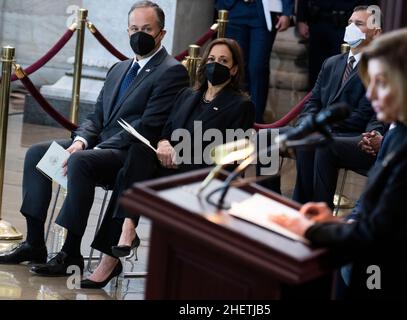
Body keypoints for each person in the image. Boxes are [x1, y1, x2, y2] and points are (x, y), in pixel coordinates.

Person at [0, 1, 189, 276]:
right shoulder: (119, 69)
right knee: (37, 154)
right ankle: (34, 243)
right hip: (97, 146)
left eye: (147, 29)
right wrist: (81, 142)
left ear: (161, 33)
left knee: (80, 163)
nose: (140, 34)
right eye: (134, 28)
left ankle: (70, 253)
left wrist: (93, 148)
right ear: (127, 30)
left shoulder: (171, 71)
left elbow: (148, 126)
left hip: (129, 153)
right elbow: (95, 117)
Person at [272, 28, 407, 299]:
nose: (372, 94)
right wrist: (334, 223)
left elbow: (382, 233)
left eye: (382, 83)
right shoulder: (405, 130)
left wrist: (315, 230)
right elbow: (379, 212)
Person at [79, 38, 256, 288]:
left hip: (201, 174)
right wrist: (163, 143)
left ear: (235, 69)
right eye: (212, 59)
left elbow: (232, 154)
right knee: (139, 153)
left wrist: (182, 153)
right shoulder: (187, 95)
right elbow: (167, 130)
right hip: (168, 168)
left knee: (125, 180)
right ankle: (127, 229)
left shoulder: (241, 105)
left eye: (224, 61)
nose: (216, 65)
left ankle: (111, 257)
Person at [292, 5, 385, 205]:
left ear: (376, 33)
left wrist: (319, 126)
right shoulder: (331, 62)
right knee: (266, 139)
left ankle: (312, 210)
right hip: (319, 128)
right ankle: (269, 198)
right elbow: (313, 101)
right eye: (350, 22)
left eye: (358, 24)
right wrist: (306, 124)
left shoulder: (378, 69)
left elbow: (362, 115)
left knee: (315, 142)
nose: (350, 27)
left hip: (349, 135)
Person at [215, 0, 294, 123]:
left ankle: (254, 121)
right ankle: (235, 117)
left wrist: (286, 12)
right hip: (234, 8)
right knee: (236, 66)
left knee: (257, 68)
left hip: (263, 10)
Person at [296, 0, 372, 89]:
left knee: (342, 72)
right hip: (318, 22)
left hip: (347, 25)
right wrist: (301, 19)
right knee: (316, 73)